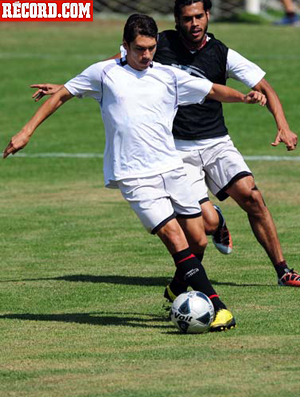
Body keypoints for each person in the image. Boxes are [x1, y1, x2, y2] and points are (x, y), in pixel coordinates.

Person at [2, 14, 267, 331]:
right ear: (125, 45)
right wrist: (26, 132)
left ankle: (176, 288)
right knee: (173, 237)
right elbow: (63, 93)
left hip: (172, 167)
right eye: (140, 48)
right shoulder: (104, 73)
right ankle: (216, 305)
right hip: (133, 176)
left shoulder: (167, 76)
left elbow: (211, 90)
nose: (146, 55)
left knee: (198, 241)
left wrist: (244, 97)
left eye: (152, 48)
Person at [30, 1, 300, 295]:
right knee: (204, 226)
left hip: (215, 141)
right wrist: (66, 86)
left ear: (208, 16)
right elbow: (114, 67)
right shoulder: (158, 44)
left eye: (199, 17)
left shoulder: (222, 53)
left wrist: (282, 125)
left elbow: (265, 88)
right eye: (187, 19)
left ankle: (282, 271)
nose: (194, 23)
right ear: (176, 21)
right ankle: (200, 256)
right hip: (176, 150)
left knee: (253, 198)